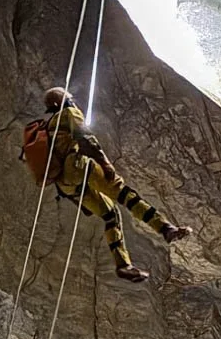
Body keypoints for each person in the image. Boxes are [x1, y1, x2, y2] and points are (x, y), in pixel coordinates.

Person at [24, 87, 191, 282]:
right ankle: (165, 229)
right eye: (69, 98)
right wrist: (104, 163)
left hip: (66, 185)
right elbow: (86, 138)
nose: (73, 100)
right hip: (78, 167)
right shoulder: (69, 113)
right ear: (62, 101)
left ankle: (123, 265)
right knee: (123, 193)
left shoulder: (49, 125)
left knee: (110, 214)